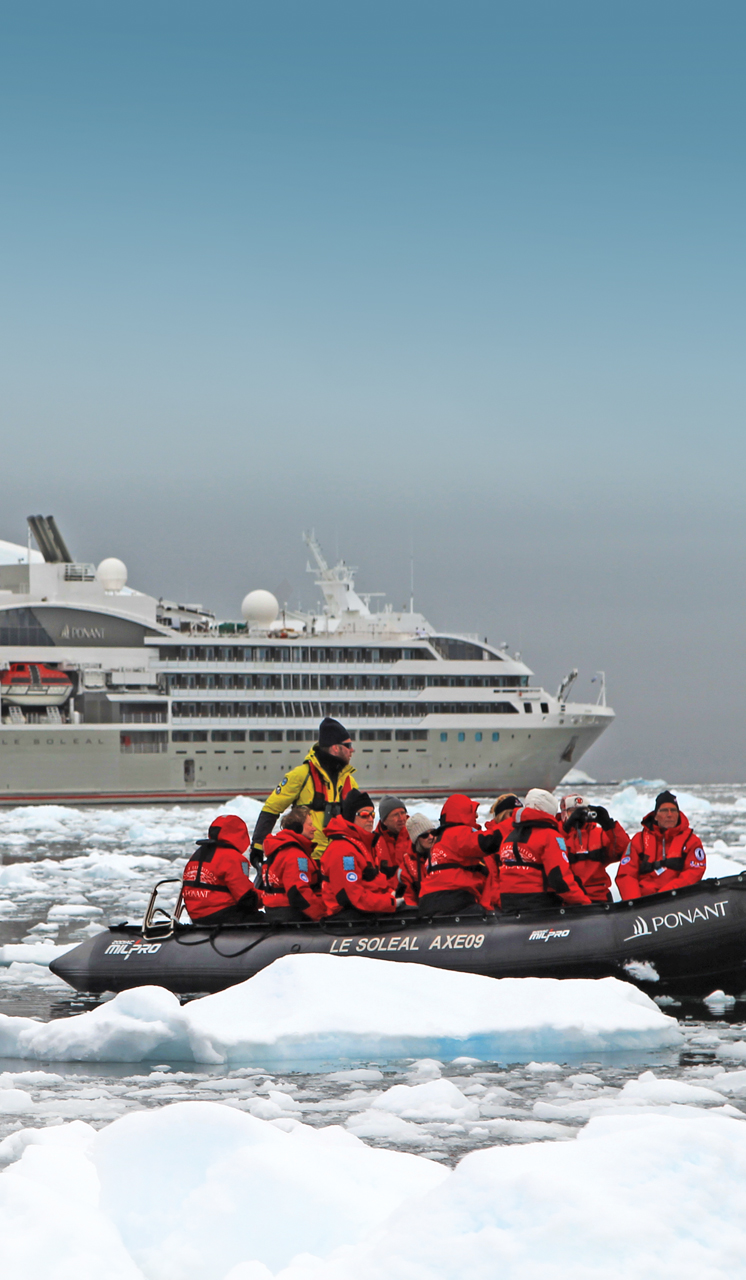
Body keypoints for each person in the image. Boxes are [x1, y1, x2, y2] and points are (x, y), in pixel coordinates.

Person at [250, 717, 358, 867]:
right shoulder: (301, 775)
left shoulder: (348, 781)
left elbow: (361, 819)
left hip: (339, 859)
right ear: (335, 748)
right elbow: (271, 808)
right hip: (308, 858)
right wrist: (257, 846)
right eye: (348, 745)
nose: (352, 750)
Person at [498, 788, 592, 912]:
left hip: (508, 902)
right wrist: (586, 904)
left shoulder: (509, 836)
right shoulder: (550, 836)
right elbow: (559, 879)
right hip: (540, 903)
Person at [417, 794, 502, 916]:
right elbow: (489, 842)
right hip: (453, 899)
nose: (477, 816)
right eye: (473, 812)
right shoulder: (458, 834)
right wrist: (512, 825)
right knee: (491, 918)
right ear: (462, 813)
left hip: (428, 901)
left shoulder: (440, 840)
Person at [616, 789, 706, 899]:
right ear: (655, 815)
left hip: (677, 900)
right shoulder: (639, 840)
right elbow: (626, 874)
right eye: (664, 810)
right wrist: (635, 902)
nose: (669, 814)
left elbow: (694, 872)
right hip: (643, 902)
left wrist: (665, 895)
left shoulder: (691, 841)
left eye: (673, 810)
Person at [321, 790, 397, 918]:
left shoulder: (364, 845)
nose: (370, 819)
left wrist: (392, 895)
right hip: (348, 914)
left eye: (372, 814)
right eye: (364, 815)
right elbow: (352, 897)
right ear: (351, 817)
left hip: (366, 908)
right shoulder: (343, 850)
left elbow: (374, 882)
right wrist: (389, 902)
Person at [182, 814, 261, 924]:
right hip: (222, 913)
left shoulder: (198, 854)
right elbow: (245, 897)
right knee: (270, 921)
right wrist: (268, 898)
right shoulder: (232, 857)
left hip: (196, 914)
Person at [559, 794, 629, 902]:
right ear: (564, 813)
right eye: (572, 811)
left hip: (599, 896)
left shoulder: (600, 834)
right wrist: (567, 827)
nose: (578, 815)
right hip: (570, 898)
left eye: (582, 811)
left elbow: (623, 851)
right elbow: (552, 852)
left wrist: (609, 825)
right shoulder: (559, 835)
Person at [260, 805, 325, 921]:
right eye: (310, 825)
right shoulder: (295, 855)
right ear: (297, 827)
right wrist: (322, 915)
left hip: (274, 910)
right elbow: (298, 891)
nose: (314, 828)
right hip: (292, 913)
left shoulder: (279, 850)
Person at [480, 794, 522, 911]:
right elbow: (492, 882)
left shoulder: (523, 838)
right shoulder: (490, 841)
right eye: (511, 814)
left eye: (519, 813)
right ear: (501, 816)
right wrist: (507, 904)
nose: (516, 817)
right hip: (501, 905)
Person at [398, 812, 438, 906]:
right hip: (423, 912)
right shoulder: (407, 867)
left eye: (433, 832)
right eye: (425, 835)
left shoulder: (445, 855)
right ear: (416, 839)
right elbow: (409, 898)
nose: (431, 837)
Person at [373, 796, 411, 877]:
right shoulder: (374, 842)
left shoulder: (418, 836)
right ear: (385, 821)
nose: (401, 818)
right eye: (395, 815)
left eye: (403, 813)